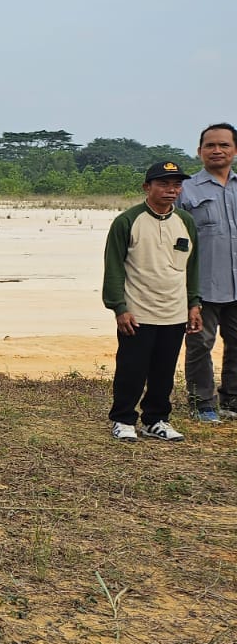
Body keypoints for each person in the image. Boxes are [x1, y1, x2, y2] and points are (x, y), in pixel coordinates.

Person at [103, 161, 202, 442]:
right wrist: (119, 307)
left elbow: (192, 266)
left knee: (164, 371)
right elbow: (114, 267)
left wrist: (194, 303)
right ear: (147, 187)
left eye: (176, 185)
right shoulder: (127, 221)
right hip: (138, 311)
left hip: (174, 311)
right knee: (131, 369)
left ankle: (156, 419)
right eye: (163, 184)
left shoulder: (186, 222)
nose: (171, 190)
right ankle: (123, 419)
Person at [177, 122, 237, 423]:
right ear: (199, 151)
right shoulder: (185, 189)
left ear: (234, 150)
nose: (217, 150)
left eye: (224, 145)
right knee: (200, 346)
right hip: (202, 287)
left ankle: (232, 401)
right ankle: (203, 404)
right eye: (210, 145)